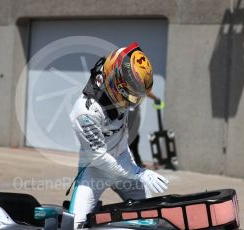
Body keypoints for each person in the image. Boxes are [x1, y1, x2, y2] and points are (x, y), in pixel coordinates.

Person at [69, 42, 169, 228]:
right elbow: (99, 157)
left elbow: (127, 58)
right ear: (114, 81)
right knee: (74, 224)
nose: (133, 103)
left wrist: (154, 98)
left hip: (124, 159)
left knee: (149, 220)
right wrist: (138, 172)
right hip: (95, 170)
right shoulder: (85, 112)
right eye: (131, 96)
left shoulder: (117, 82)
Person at [128, 91, 161, 167]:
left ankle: (136, 160)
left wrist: (155, 98)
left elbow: (146, 91)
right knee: (131, 138)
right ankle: (136, 161)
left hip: (133, 112)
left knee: (134, 138)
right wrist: (155, 98)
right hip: (129, 113)